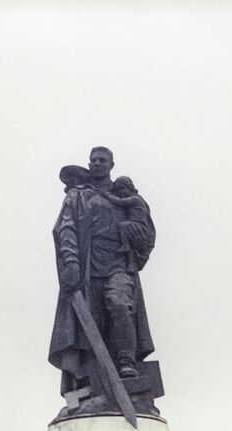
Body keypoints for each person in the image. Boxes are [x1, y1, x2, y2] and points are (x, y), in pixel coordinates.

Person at [49, 147, 156, 392]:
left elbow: (146, 231)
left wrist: (135, 237)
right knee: (90, 327)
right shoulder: (78, 195)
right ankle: (93, 383)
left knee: (120, 305)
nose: (97, 164)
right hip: (87, 268)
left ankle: (127, 362)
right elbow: (65, 229)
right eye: (94, 160)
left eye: (102, 160)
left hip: (119, 265)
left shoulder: (124, 194)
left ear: (111, 164)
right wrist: (71, 262)